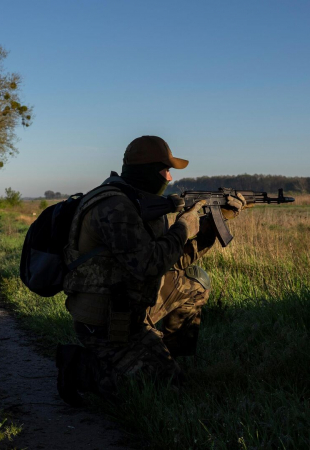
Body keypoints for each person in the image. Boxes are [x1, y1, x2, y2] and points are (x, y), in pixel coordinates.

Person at [56, 135, 248, 406]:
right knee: (163, 392)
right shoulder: (115, 207)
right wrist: (183, 228)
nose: (169, 178)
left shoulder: (140, 203)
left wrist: (211, 226)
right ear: (145, 171)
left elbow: (175, 261)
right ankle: (79, 367)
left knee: (195, 282)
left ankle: (160, 356)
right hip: (105, 320)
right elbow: (147, 265)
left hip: (131, 303)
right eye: (164, 170)